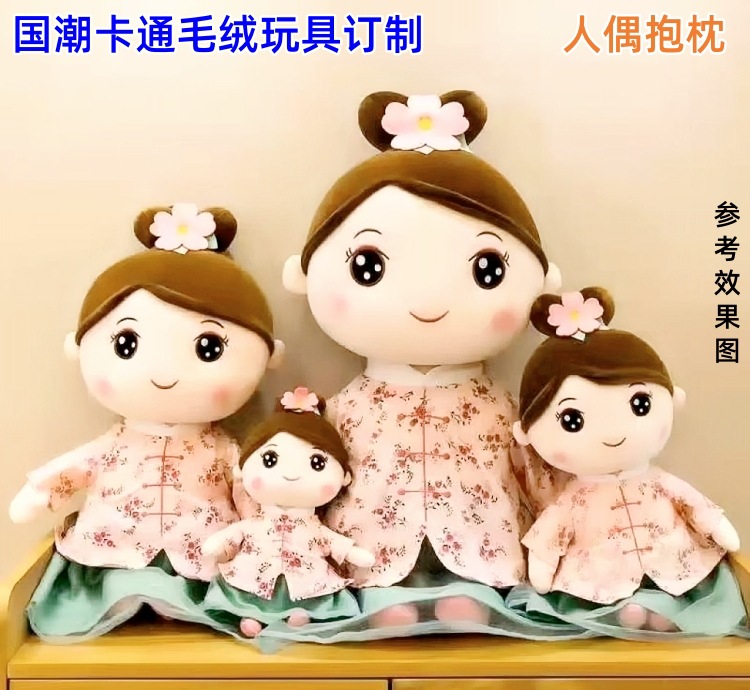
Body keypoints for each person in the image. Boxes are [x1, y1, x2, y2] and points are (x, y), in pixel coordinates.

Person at [278, 91, 578, 642]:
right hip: (367, 557)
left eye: (488, 270)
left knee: (478, 582)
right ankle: (388, 597)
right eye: (368, 267)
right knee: (375, 576)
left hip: (485, 552)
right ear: (306, 275)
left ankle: (471, 592)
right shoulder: (342, 409)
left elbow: (537, 475)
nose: (428, 301)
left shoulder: (500, 407)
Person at [9, 203, 283, 640]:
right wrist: (41, 492)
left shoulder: (225, 449)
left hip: (200, 555)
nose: (164, 374)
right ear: (79, 348)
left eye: (209, 348)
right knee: (117, 581)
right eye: (126, 344)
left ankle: (187, 602)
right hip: (114, 548)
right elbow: (77, 467)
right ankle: (133, 595)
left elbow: (249, 491)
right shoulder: (114, 444)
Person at [513, 287, 747, 638]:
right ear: (527, 432)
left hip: (674, 564)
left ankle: (658, 611)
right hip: (599, 577)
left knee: (680, 583)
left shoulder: (660, 482)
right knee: (608, 599)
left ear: (672, 398)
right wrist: (543, 568)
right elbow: (551, 534)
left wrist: (718, 528)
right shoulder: (572, 500)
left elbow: (695, 506)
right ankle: (636, 614)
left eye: (640, 404)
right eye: (573, 420)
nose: (612, 433)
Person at [202, 387, 373, 640]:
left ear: (344, 477)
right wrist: (217, 542)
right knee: (248, 587)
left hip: (306, 579)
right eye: (270, 460)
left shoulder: (314, 527)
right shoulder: (254, 523)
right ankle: (251, 616)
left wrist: (353, 553)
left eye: (317, 463)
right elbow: (235, 534)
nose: (291, 474)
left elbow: (331, 541)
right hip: (253, 575)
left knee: (310, 592)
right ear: (242, 469)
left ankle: (300, 614)